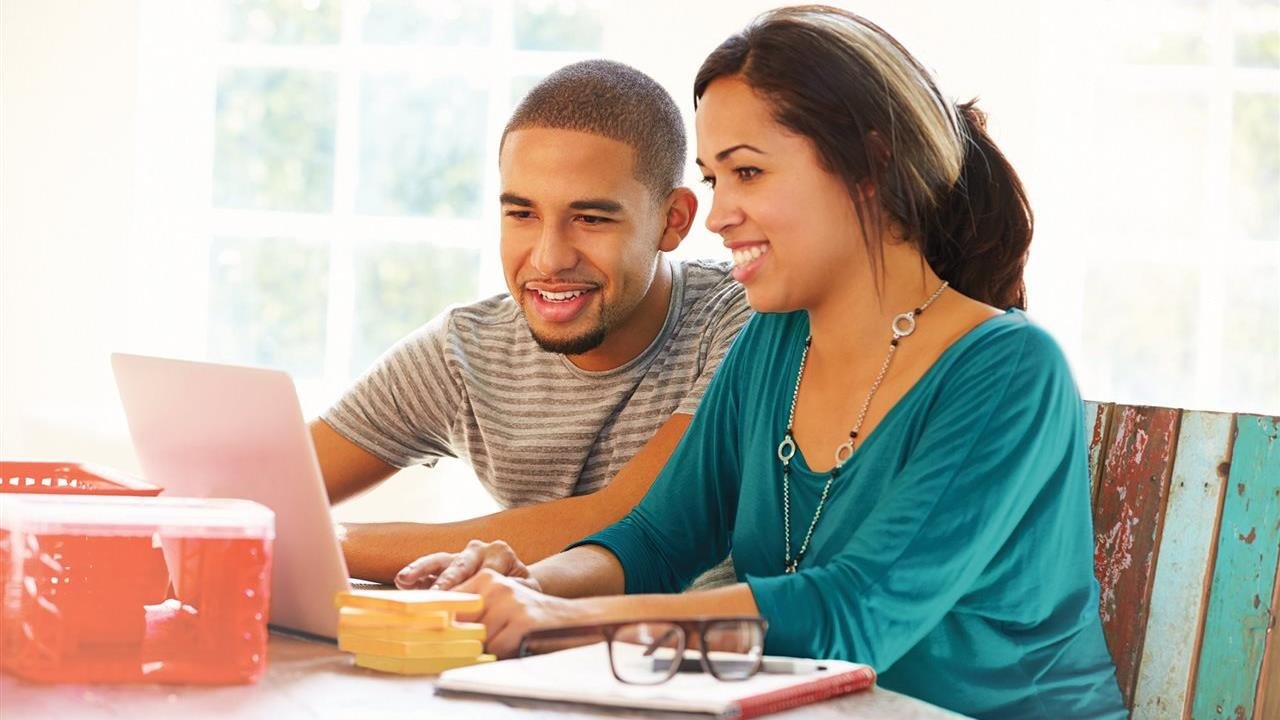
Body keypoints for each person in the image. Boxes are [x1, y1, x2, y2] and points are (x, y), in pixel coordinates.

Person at [394, 7, 1128, 719]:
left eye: (747, 173)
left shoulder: (1006, 371)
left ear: (869, 164)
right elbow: (658, 538)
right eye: (714, 179)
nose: (715, 215)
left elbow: (856, 613)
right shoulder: (774, 344)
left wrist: (559, 620)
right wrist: (528, 582)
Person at [313, 59, 751, 584]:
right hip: (542, 657)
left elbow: (632, 525)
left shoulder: (744, 316)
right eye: (522, 214)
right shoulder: (465, 355)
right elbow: (255, 493)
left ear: (672, 219)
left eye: (590, 219)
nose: (548, 259)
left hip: (704, 661)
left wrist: (328, 544)